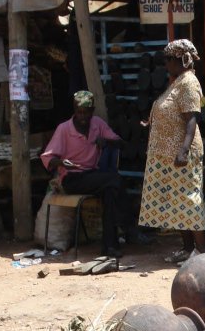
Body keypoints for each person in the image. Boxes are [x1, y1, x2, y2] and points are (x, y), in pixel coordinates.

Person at [41, 90, 141, 258]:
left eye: (86, 112)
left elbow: (120, 144)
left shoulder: (97, 124)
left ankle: (110, 247)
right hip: (72, 178)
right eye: (79, 112)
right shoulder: (64, 129)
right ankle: (130, 227)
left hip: (92, 176)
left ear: (92, 111)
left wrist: (106, 141)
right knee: (114, 179)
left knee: (111, 192)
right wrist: (61, 163)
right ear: (74, 110)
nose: (83, 116)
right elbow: (47, 157)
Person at [138, 39, 205, 264]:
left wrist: (184, 151)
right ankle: (187, 250)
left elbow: (192, 119)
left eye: (168, 60)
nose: (165, 64)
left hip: (181, 153)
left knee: (188, 201)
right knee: (176, 203)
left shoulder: (188, 82)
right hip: (167, 154)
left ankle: (202, 253)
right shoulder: (177, 82)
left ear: (180, 60)